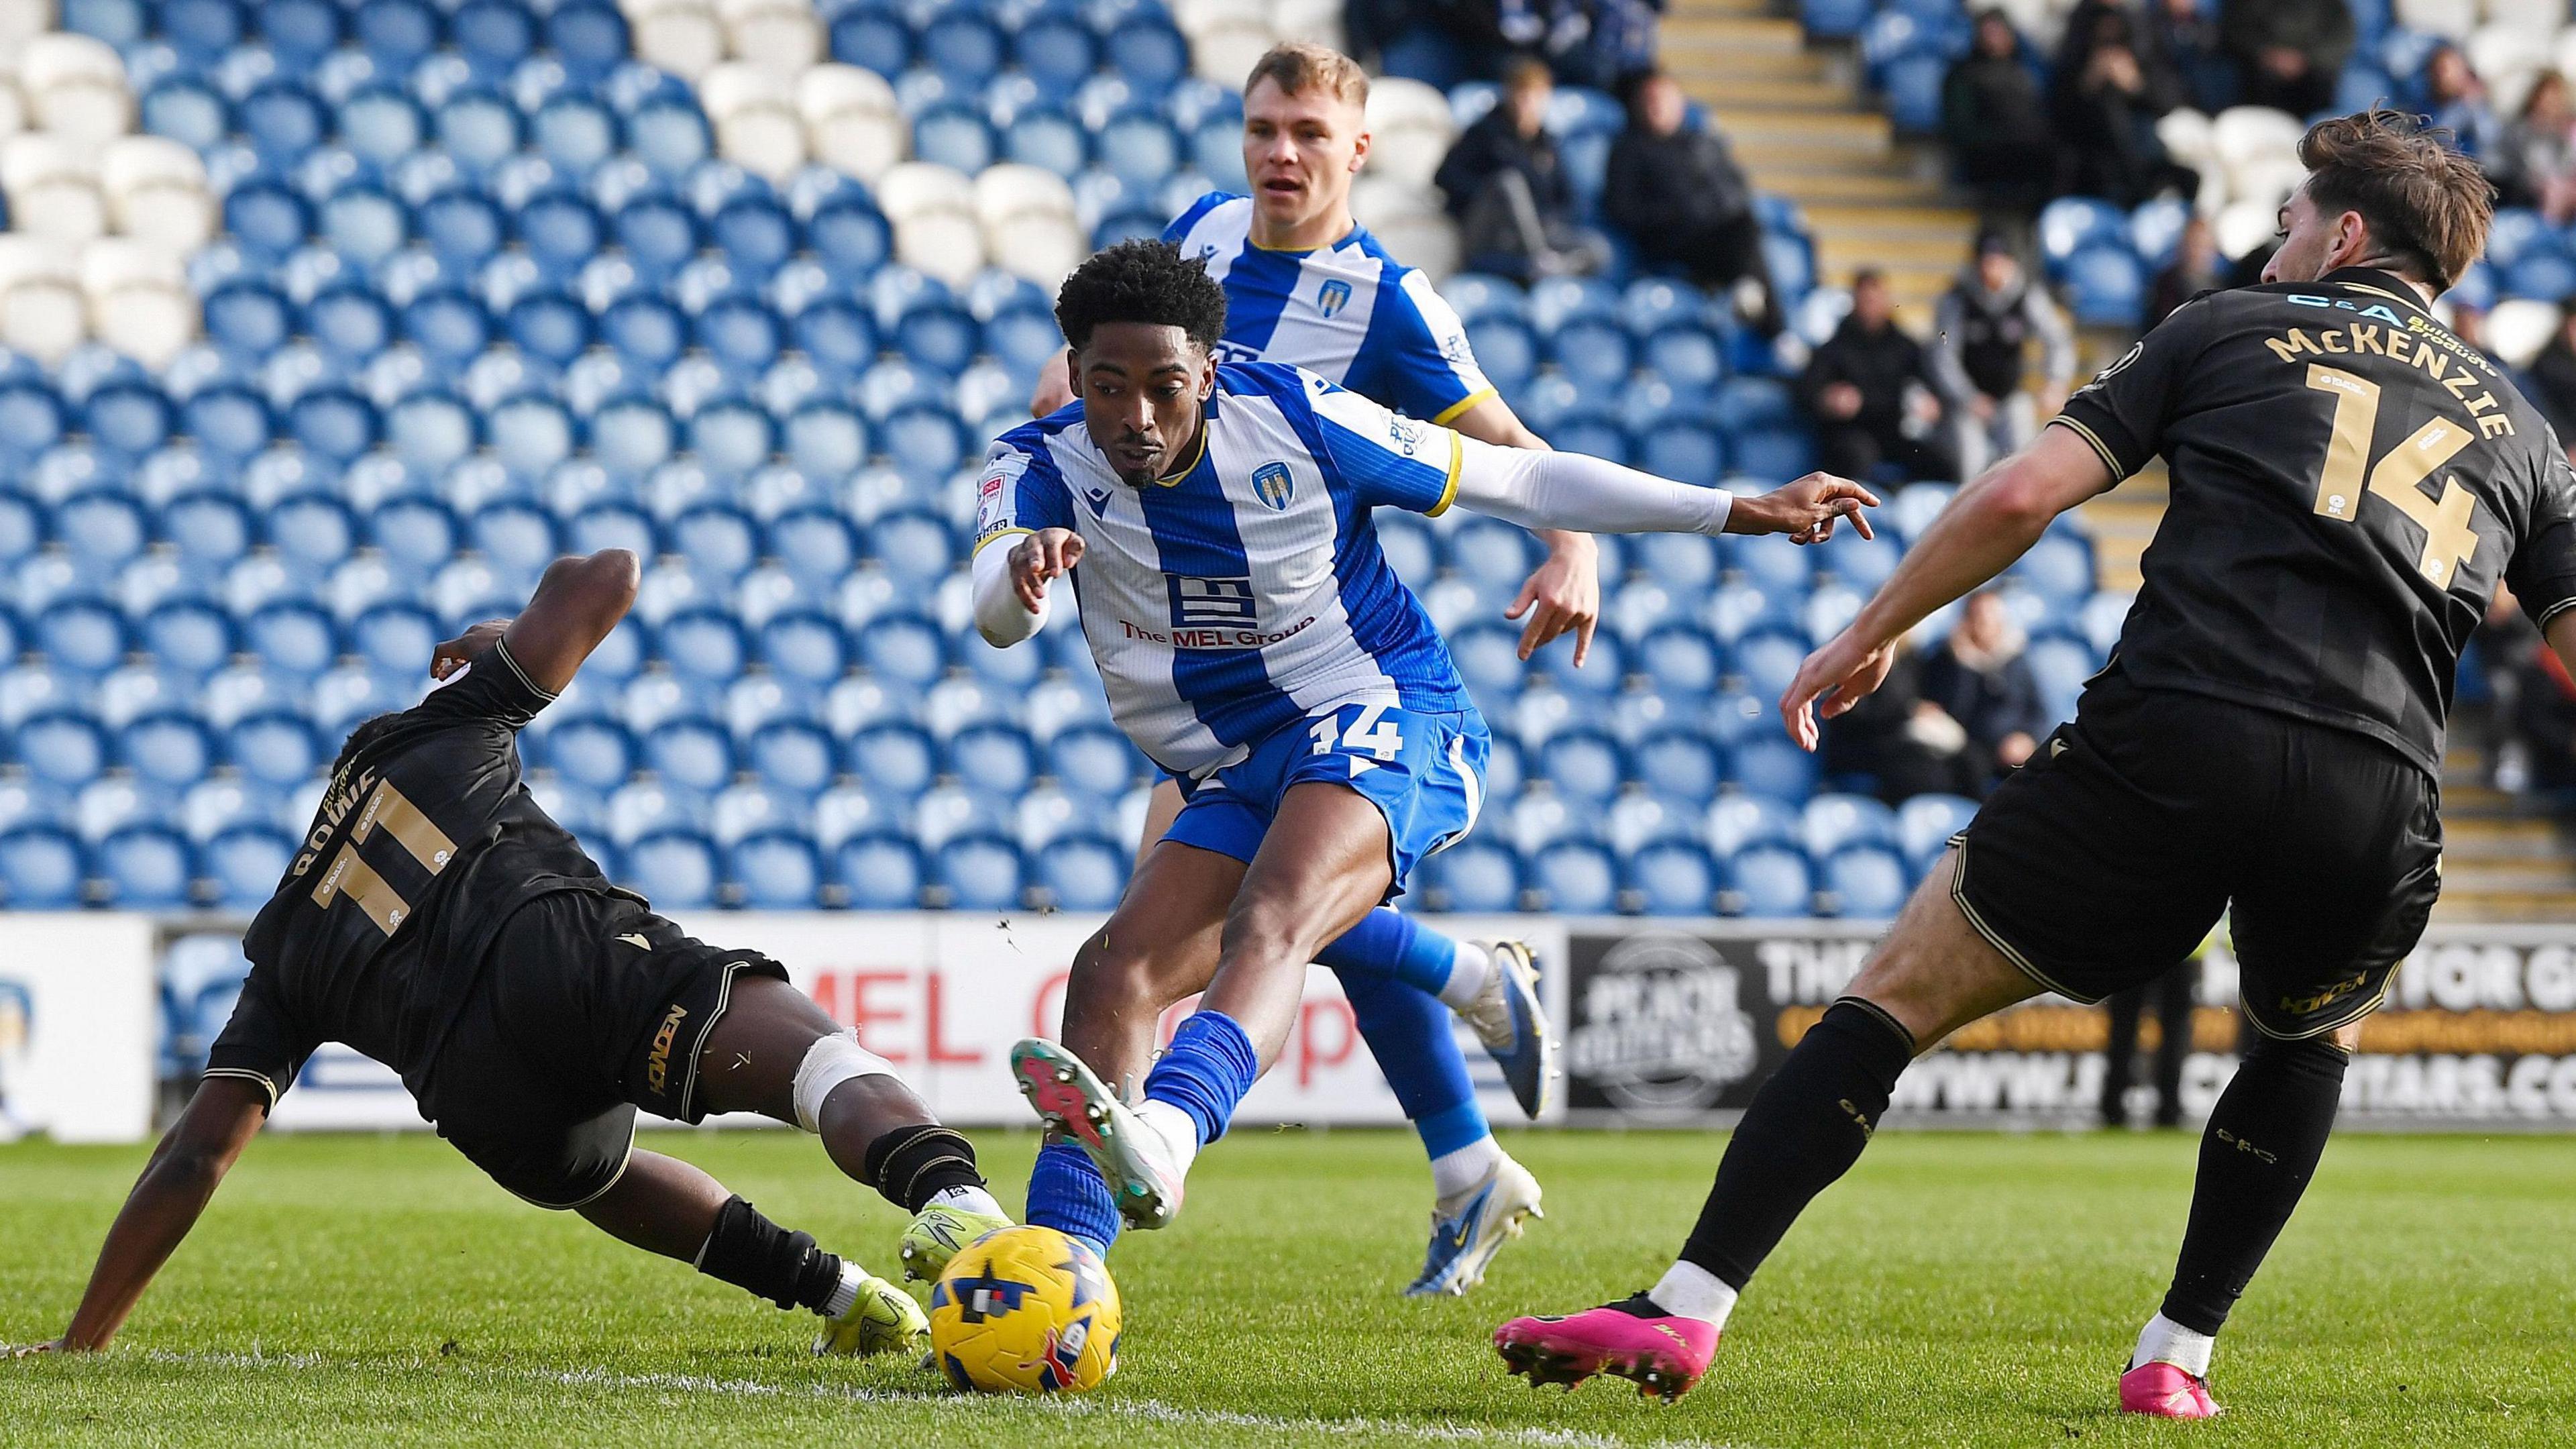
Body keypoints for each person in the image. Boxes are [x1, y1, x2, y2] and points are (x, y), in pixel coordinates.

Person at [1499, 109, 2576, 1421]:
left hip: (2178, 732)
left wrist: (1868, 630)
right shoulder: (2524, 433)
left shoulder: (2225, 325)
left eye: (2294, 218)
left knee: (1893, 998)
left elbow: (2019, 498)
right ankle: (2177, 1359)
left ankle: (1686, 1307)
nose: (2277, 238)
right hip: (2378, 784)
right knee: (2306, 1040)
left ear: (2347, 233)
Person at [983, 239, 1877, 1283]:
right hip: (1231, 759)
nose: (1135, 416)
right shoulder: (1037, 463)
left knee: (1278, 915)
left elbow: (1521, 476)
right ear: (1073, 372)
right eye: (1107, 386)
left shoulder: (1306, 420)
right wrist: (1022, 574)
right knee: (1113, 974)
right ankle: (1056, 1284)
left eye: (1165, 386)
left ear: (1211, 370)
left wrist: (1736, 507)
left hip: (1385, 711)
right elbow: (993, 612)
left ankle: (1169, 1141)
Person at [5, 550, 1013, 1357]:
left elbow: (195, 1157)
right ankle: (956, 1206)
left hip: (490, 1104)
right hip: (555, 955)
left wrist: (83, 1338)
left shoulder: (285, 948)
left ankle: (838, 1293)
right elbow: (608, 575)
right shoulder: (439, 731)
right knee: (814, 1060)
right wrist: (503, 643)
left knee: (599, 1171)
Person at [1028, 41, 1597, 1298]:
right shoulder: (1202, 239)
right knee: (1225, 925)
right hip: (1206, 656)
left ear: (1359, 150)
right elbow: (1084, 375)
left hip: (1325, 650)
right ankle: (1462, 1133)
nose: (1280, 155)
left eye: (1306, 134)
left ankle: (1097, 1225)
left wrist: (1573, 545)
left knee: (1263, 912)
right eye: (1262, 129)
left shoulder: (1388, 299)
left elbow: (1503, 443)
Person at [1603, 69, 1781, 331]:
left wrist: (1710, 211)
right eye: (1651, 100)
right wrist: (1673, 214)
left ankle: (1750, 294)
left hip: (1713, 236)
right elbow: (1621, 208)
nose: (1657, 107)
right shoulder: (1628, 149)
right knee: (1743, 240)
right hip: (1667, 240)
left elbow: (1737, 188)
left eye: (1664, 99)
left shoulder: (1701, 143)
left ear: (1680, 105)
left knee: (1744, 225)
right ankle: (1770, 322)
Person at [1434, 56, 1609, 280]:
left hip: (1540, 231)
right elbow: (1444, 177)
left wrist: (1548, 220)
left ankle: (1548, 267)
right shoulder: (1484, 133)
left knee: (1598, 250)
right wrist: (1488, 194)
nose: (1526, 103)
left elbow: (1566, 198)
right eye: (1521, 94)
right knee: (1508, 183)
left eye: (1535, 96)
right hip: (1489, 233)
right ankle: (1540, 261)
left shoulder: (1546, 142)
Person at [1932, 231, 2076, 481]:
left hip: (2010, 395)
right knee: (1971, 464)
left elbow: (2058, 339)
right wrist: (1968, 397)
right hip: (1968, 400)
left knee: (2022, 459)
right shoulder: (1958, 299)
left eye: (1999, 261)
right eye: (1987, 261)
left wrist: (2055, 381)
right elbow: (1943, 357)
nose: (1992, 269)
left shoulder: (2026, 295)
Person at [1799, 269, 1954, 483]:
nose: (1870, 306)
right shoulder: (1834, 348)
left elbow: (1929, 385)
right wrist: (1828, 399)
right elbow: (1809, 391)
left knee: (1943, 463)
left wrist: (1931, 403)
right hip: (1852, 433)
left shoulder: (1905, 346)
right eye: (1864, 299)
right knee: (1854, 456)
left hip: (1895, 432)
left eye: (1875, 299)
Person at [2051, 7, 2196, 207]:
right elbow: (2061, 114)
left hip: (2150, 173)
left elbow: (2174, 101)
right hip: (2092, 180)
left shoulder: (2147, 45)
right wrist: (2089, 83)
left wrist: (2136, 85)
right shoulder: (2074, 53)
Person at [1817, 637, 1986, 804]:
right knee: (1932, 776)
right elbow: (1852, 712)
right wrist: (1907, 714)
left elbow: (1934, 690)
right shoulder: (1858, 652)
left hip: (1905, 739)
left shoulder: (1909, 657)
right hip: (1868, 748)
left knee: (1970, 759)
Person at [1919, 588, 2049, 790]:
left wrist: (2027, 738)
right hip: (1971, 751)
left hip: (2015, 749)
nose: (1984, 623)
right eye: (1977, 616)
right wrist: (1964, 660)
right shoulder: (1946, 660)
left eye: (1990, 616)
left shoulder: (2017, 660)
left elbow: (2037, 709)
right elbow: (1955, 709)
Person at [1941, 9, 2057, 217]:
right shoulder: (1963, 75)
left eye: (1999, 32)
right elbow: (1962, 128)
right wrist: (2004, 137)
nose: (1994, 40)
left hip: (2034, 158)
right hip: (1988, 161)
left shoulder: (2029, 70)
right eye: (1988, 33)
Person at [2100, 955, 2202, 1128]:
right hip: (2181, 951)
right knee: (2174, 1034)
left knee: (2123, 1031)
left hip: (2134, 948)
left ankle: (2112, 1110)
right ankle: (2169, 1111)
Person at [2219, 0, 2352, 119]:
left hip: (2312, 76)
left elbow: (2340, 38)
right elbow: (2235, 31)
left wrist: (2306, 61)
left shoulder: (2328, 5)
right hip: (2256, 75)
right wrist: (2267, 54)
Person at [2497, 70, 2576, 219]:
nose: (2549, 103)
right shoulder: (2519, 132)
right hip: (2526, 205)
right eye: (2545, 97)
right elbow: (2519, 170)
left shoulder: (2567, 131)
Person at [2145, 213, 2225, 330]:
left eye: (2204, 246)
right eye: (2195, 244)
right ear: (2183, 245)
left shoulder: (2220, 281)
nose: (2199, 252)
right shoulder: (2168, 282)